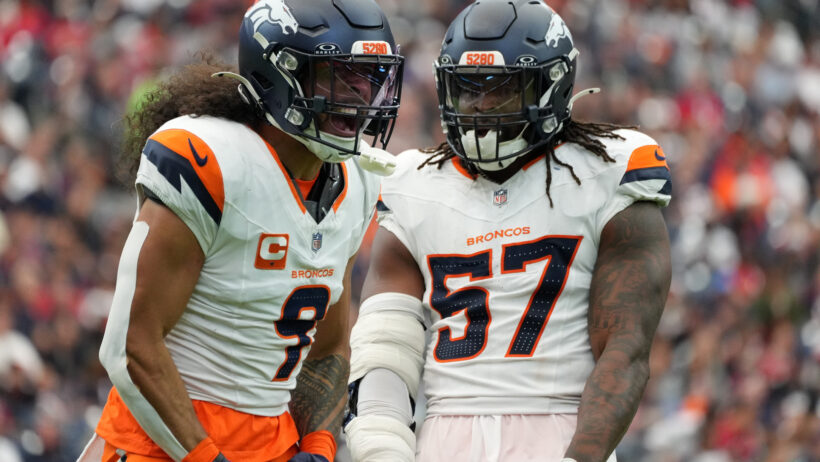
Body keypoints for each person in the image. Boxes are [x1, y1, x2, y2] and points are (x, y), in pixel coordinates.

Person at [343, 1, 672, 461]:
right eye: (467, 88)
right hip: (441, 435)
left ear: (552, 87)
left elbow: (625, 350)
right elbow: (384, 354)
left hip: (561, 428)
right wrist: (381, 449)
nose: (480, 106)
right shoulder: (413, 184)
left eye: (502, 89)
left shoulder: (607, 169)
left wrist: (581, 457)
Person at [76, 0, 403, 461]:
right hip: (162, 443)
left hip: (273, 444)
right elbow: (130, 348)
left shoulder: (360, 179)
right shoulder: (211, 162)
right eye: (338, 75)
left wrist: (321, 445)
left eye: (369, 77)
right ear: (280, 75)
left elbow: (327, 349)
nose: (360, 97)